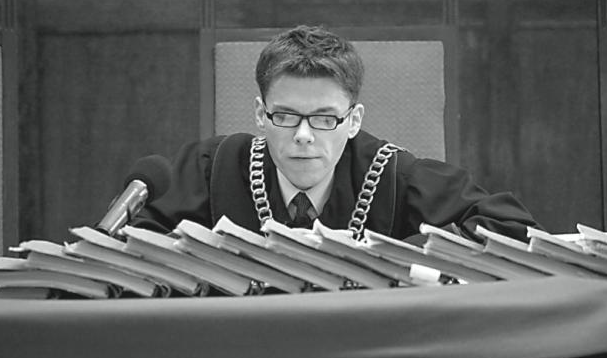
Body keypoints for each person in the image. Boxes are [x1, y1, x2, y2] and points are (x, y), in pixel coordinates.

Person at [132, 25, 540, 245]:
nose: (303, 135)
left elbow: (510, 225)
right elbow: (135, 242)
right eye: (285, 116)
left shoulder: (392, 174)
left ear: (353, 120)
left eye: (325, 118)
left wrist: (406, 255)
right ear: (260, 114)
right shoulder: (212, 169)